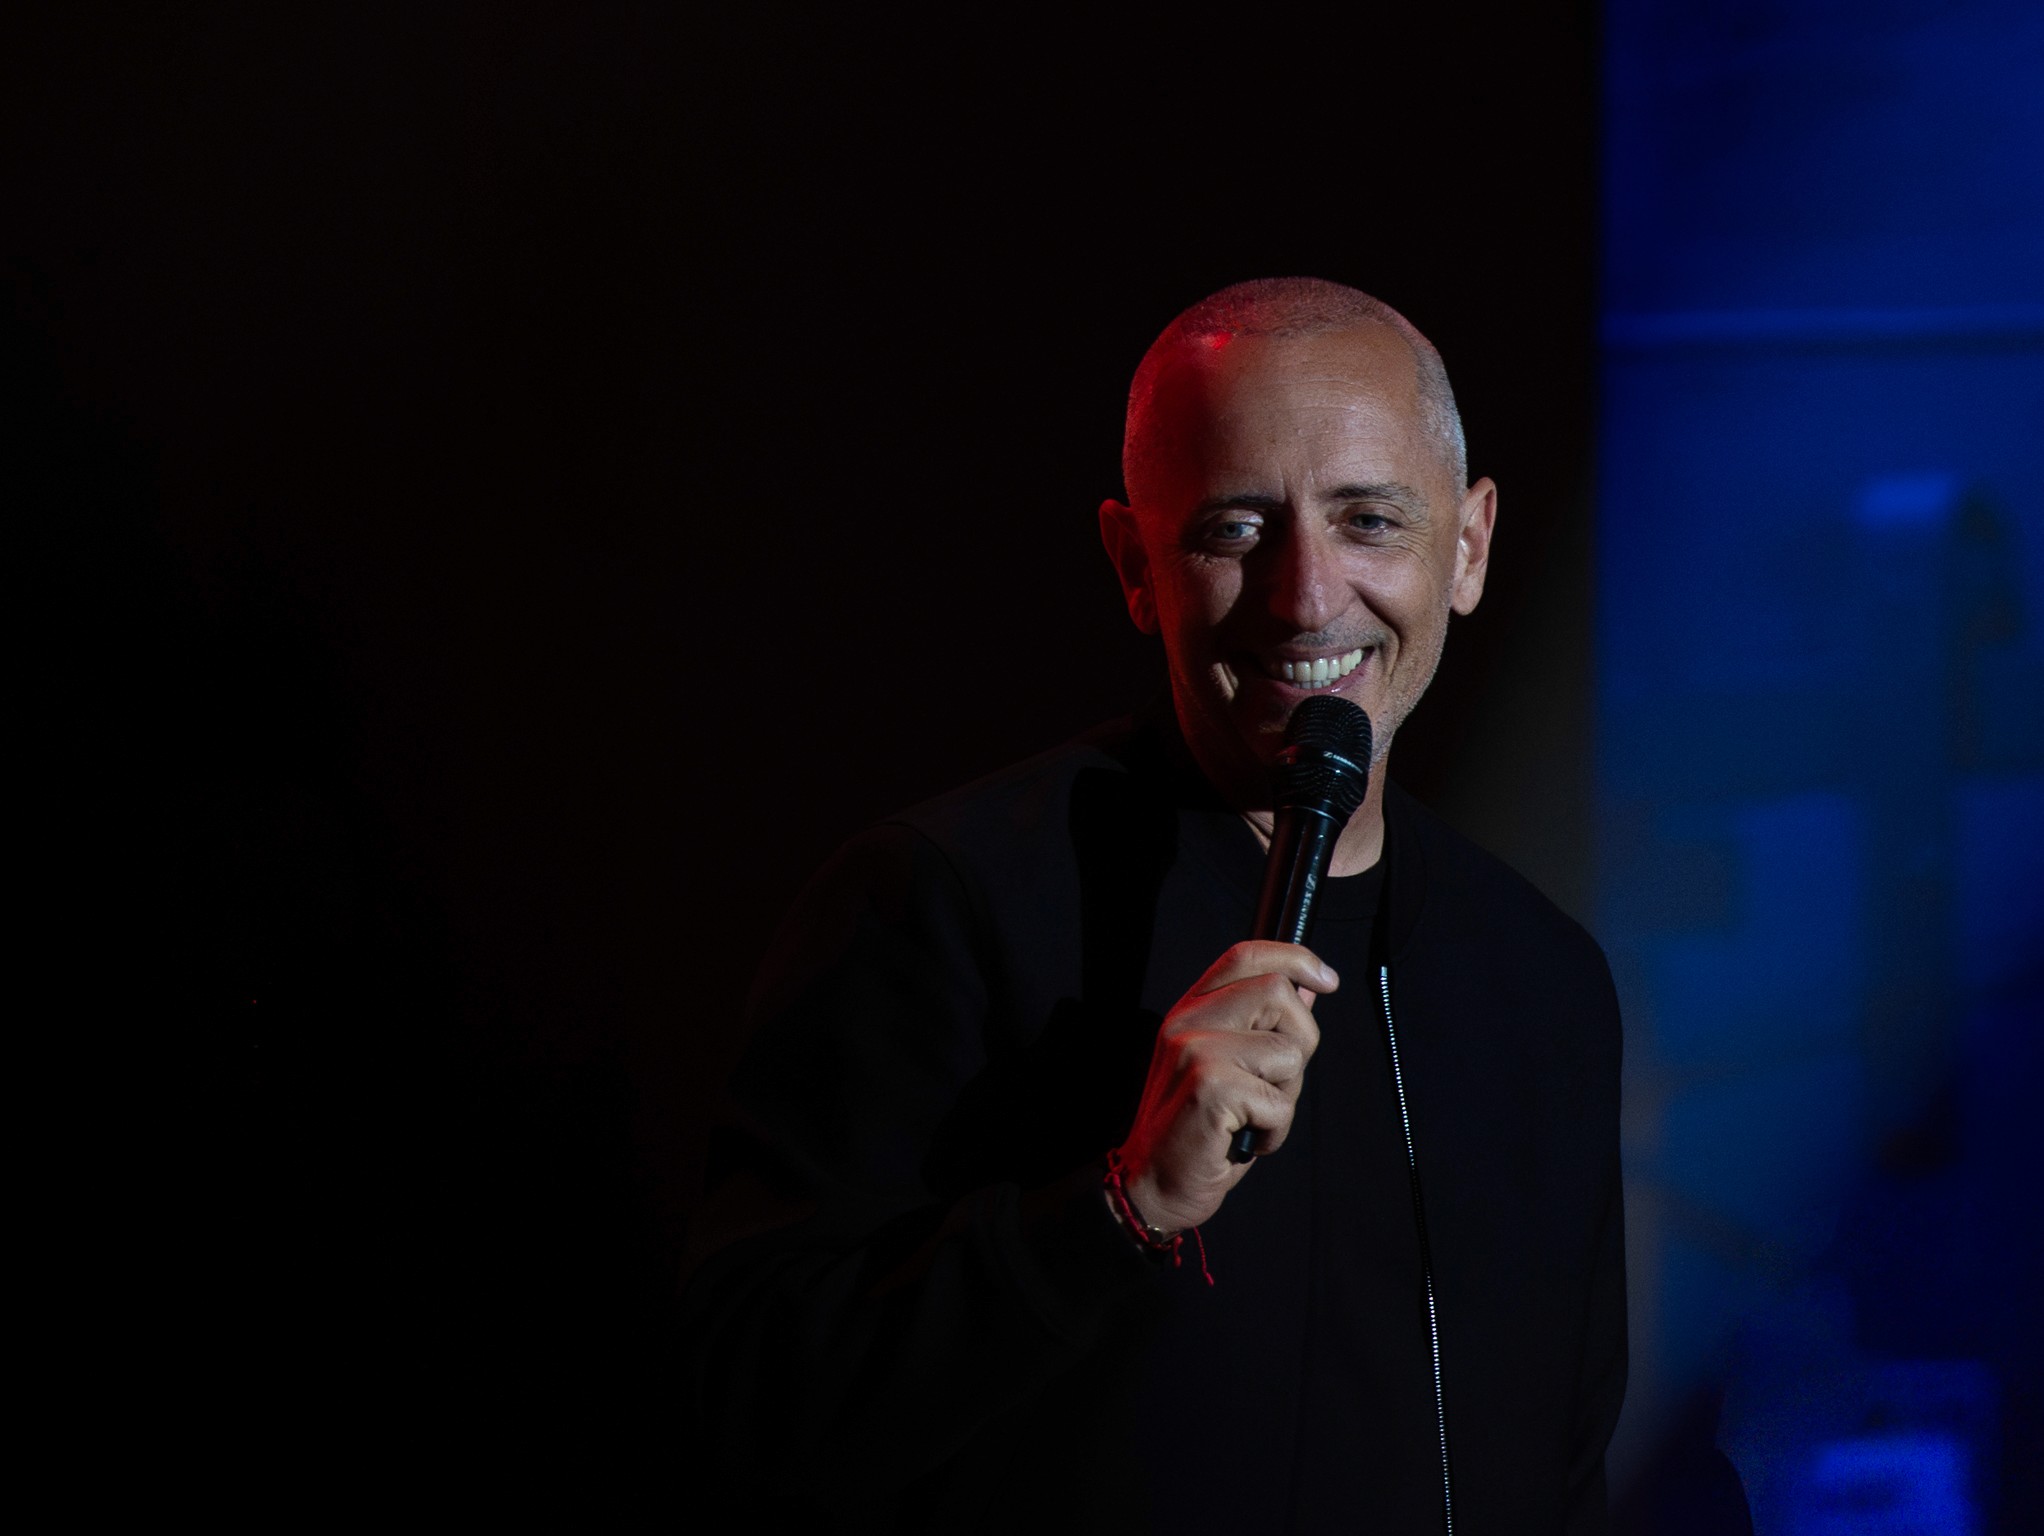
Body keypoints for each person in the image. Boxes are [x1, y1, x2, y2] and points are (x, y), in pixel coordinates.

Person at [683, 278, 1626, 1533]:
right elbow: (747, 1410)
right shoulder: (942, 902)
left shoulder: (1539, 980)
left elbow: (1574, 1473)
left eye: (1368, 521)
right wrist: (1121, 1203)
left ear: (1467, 547)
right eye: (1236, 531)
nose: (1305, 597)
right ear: (1136, 566)